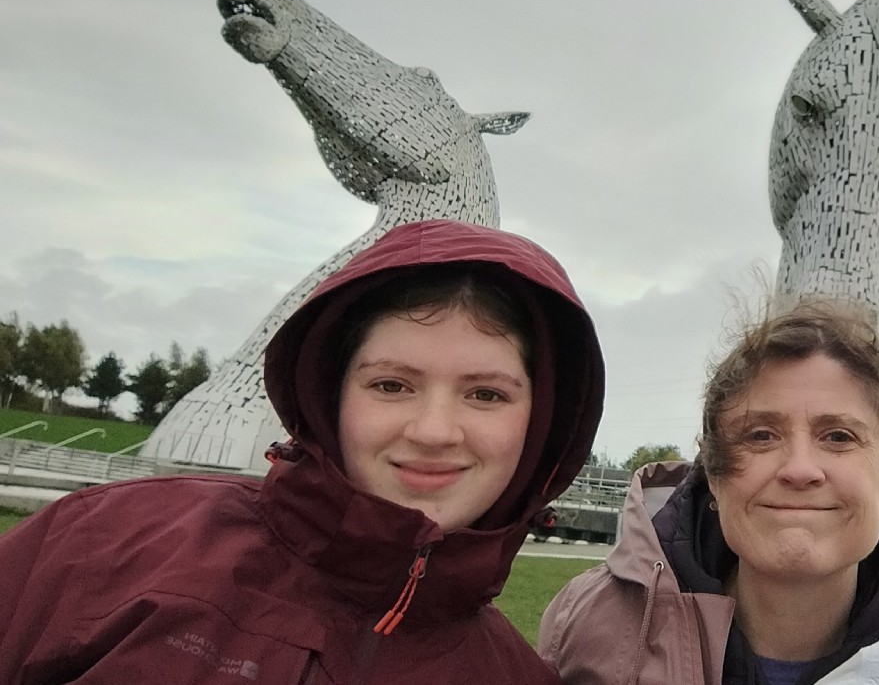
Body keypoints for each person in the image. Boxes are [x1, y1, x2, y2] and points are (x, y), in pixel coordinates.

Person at [0, 219, 604, 683]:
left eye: (485, 394)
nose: (434, 430)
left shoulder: (514, 675)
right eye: (391, 385)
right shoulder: (97, 544)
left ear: (542, 421)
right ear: (329, 393)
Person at [539, 299, 879, 684]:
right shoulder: (585, 626)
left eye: (839, 436)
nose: (801, 469)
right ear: (714, 476)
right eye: (761, 435)